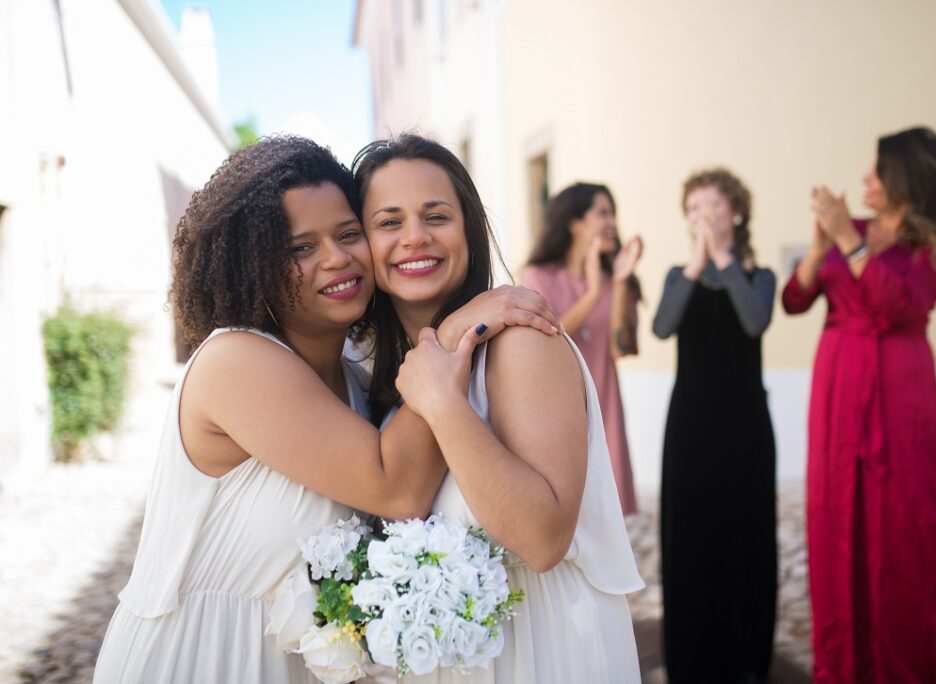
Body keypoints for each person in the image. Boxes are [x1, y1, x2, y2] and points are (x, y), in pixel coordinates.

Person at [92, 136, 561, 683]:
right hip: (201, 657)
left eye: (347, 234)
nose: (337, 258)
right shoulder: (234, 362)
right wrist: (456, 329)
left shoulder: (359, 381)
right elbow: (397, 488)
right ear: (253, 265)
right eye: (301, 248)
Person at [353, 133, 644, 683]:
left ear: (469, 229)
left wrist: (443, 403)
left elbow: (543, 540)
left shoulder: (520, 342)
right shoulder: (368, 372)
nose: (415, 236)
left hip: (543, 652)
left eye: (436, 216)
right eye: (389, 222)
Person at [782, 126, 936, 683]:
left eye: (877, 170)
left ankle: (908, 661)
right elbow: (796, 299)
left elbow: (901, 304)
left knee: (904, 521)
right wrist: (821, 247)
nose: (865, 179)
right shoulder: (853, 229)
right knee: (835, 514)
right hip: (839, 386)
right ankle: (846, 663)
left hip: (900, 391)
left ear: (906, 177)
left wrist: (848, 239)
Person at [652, 168, 777, 683]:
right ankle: (690, 660)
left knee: (746, 531)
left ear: (737, 214)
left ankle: (746, 659)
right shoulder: (678, 276)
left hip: (745, 425)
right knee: (690, 535)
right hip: (691, 425)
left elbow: (754, 321)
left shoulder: (760, 278)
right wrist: (696, 265)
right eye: (693, 209)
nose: (701, 217)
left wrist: (723, 259)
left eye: (712, 206)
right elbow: (662, 326)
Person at [520, 183, 643, 516]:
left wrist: (619, 283)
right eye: (603, 213)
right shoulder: (537, 277)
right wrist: (592, 295)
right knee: (564, 513)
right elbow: (544, 338)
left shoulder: (617, 278)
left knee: (606, 515)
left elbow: (622, 349)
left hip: (605, 407)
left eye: (613, 213)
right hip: (556, 410)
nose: (612, 222)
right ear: (575, 223)